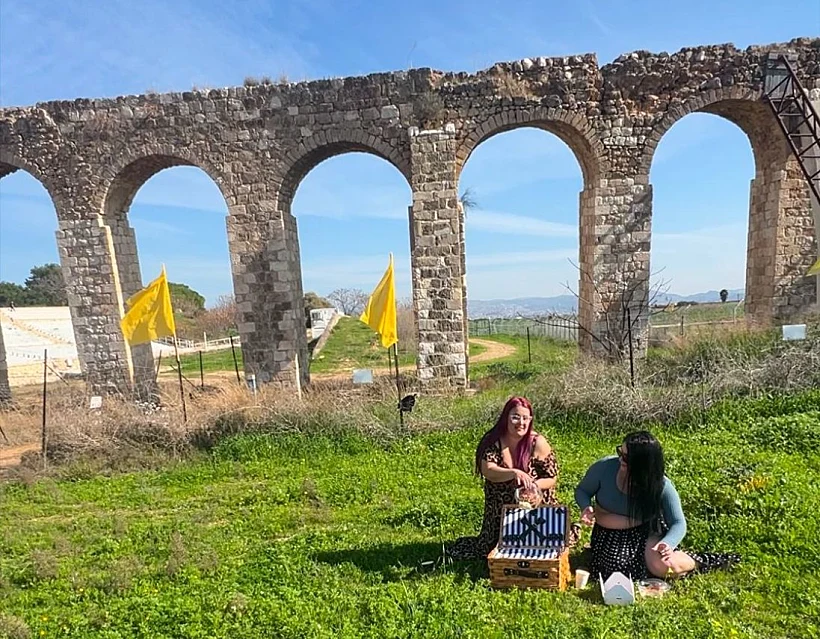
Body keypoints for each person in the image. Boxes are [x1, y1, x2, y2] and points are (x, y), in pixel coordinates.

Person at [575, 430, 740, 580]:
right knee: (615, 568)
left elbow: (678, 522)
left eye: (626, 457)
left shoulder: (661, 485)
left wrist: (668, 543)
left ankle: (698, 562)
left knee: (665, 567)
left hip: (646, 531)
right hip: (610, 532)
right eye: (620, 452)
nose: (620, 459)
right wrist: (585, 507)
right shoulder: (604, 468)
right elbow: (582, 490)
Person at [446, 396, 577, 561]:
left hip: (536, 504)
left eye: (525, 418)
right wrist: (514, 473)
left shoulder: (538, 442)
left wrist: (534, 487)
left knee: (548, 544)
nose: (520, 422)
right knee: (490, 548)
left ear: (530, 420)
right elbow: (488, 470)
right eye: (515, 417)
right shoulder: (493, 441)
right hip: (501, 508)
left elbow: (552, 477)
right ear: (506, 418)